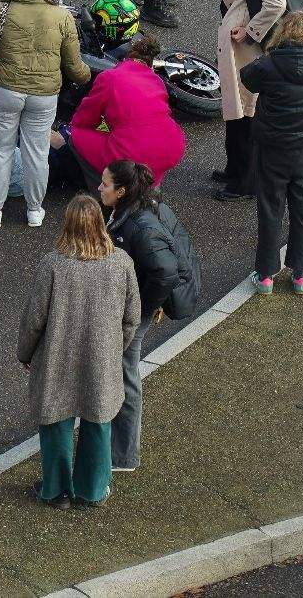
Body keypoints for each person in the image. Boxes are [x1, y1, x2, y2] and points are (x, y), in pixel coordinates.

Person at [17, 194, 140, 508]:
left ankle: (56, 490)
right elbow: (132, 317)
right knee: (98, 421)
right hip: (102, 359)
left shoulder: (52, 264)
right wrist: (116, 349)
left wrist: (26, 353)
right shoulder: (121, 262)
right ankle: (92, 490)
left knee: (56, 421)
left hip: (57, 356)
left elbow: (34, 318)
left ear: (67, 224)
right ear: (100, 223)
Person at [0, 0, 92, 229]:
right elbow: (74, 66)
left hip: (5, 91)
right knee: (36, 152)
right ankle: (35, 211)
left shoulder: (2, 8)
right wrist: (88, 76)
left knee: (0, 150)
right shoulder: (61, 17)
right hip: (44, 95)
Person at [100, 159, 200, 471]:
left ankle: (123, 455)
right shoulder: (129, 211)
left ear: (122, 190)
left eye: (105, 184)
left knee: (125, 373)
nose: (99, 188)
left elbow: (165, 272)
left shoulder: (140, 227)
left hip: (133, 311)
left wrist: (143, 310)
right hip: (129, 304)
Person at [241, 11, 303, 295]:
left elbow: (247, 78)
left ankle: (266, 275)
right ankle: (300, 274)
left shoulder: (270, 65)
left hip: (273, 148)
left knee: (271, 208)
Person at [49, 32, 186, 192]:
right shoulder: (156, 80)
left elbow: (86, 118)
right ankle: (147, 189)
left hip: (133, 149)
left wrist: (72, 129)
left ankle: (105, 193)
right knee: (149, 160)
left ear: (125, 59)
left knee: (76, 136)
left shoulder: (111, 77)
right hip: (172, 145)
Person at [216, 0, 286, 201]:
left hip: (245, 50)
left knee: (245, 111)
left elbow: (277, 2)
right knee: (237, 109)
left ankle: (245, 182)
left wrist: (250, 32)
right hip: (240, 47)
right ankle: (235, 169)